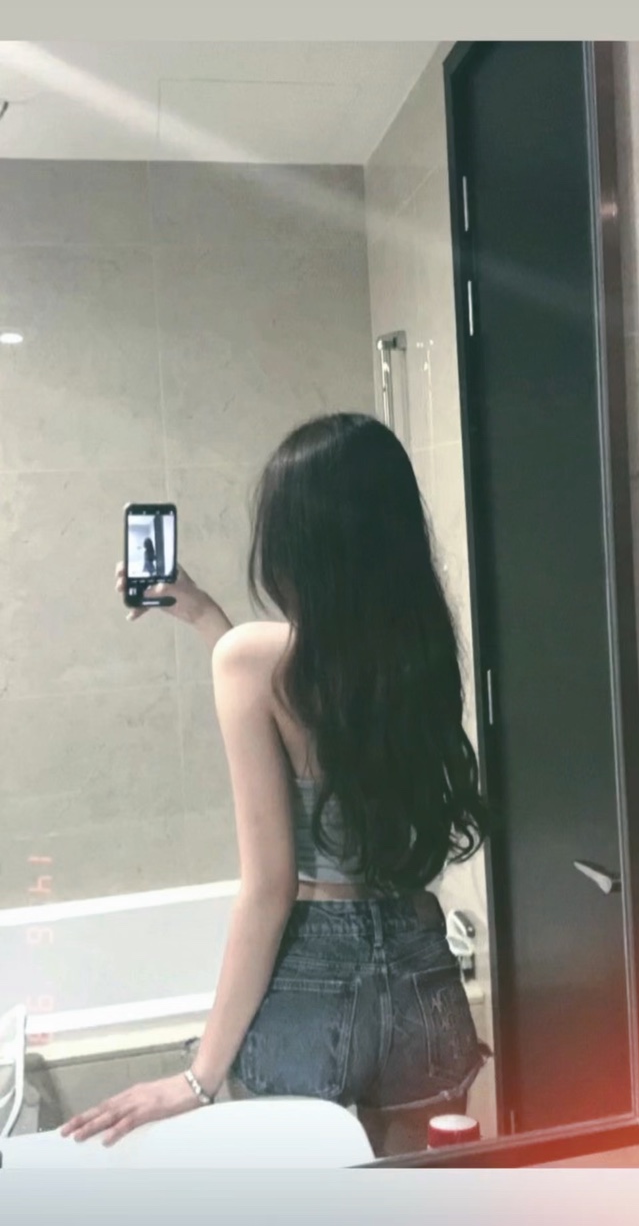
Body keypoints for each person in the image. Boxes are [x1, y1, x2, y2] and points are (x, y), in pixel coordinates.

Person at [61, 413, 491, 1158]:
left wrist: (198, 1077)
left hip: (312, 987)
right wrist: (205, 614)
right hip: (423, 978)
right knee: (419, 1200)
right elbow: (319, 713)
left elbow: (269, 888)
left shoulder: (252, 660)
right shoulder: (420, 654)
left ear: (294, 540)